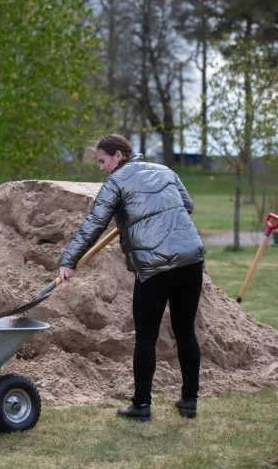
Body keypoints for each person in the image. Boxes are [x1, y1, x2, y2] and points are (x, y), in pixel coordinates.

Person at [58, 134, 206, 422]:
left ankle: (141, 406)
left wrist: (69, 259)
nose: (101, 168)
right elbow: (186, 205)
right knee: (186, 330)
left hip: (155, 268)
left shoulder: (116, 182)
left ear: (118, 156)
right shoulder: (165, 171)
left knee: (146, 336)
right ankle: (189, 402)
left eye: (102, 161)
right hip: (191, 260)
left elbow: (94, 223)